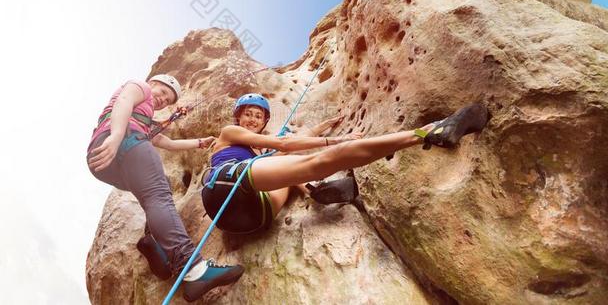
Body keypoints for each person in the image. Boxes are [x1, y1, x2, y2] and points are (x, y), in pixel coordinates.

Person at [201, 93, 489, 234]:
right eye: (248, 114)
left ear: (264, 122)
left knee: (288, 172)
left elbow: (290, 146)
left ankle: (315, 192)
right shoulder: (229, 134)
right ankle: (430, 131)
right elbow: (287, 144)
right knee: (311, 161)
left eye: (258, 116)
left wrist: (323, 127)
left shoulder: (256, 150)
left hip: (252, 219)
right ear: (238, 117)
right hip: (226, 183)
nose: (252, 119)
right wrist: (336, 140)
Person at [86, 75, 244, 302]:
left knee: (157, 193)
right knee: (159, 197)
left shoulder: (145, 120)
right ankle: (195, 270)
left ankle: (153, 242)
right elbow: (124, 100)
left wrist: (200, 142)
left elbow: (168, 144)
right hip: (121, 141)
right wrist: (117, 135)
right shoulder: (140, 86)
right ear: (152, 83)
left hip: (104, 160)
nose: (162, 100)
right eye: (162, 93)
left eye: (167, 100)